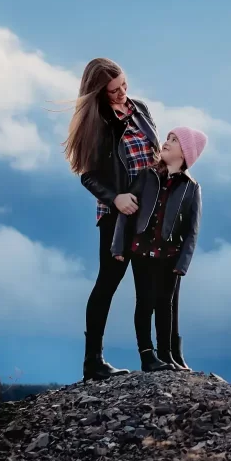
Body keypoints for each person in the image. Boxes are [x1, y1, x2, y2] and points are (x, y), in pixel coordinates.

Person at [63, 57, 160, 381]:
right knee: (108, 283)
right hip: (116, 216)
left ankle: (150, 357)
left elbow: (152, 156)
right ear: (98, 93)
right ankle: (93, 362)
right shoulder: (96, 123)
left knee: (147, 283)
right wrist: (115, 199)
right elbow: (87, 176)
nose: (122, 94)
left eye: (124, 86)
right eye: (114, 91)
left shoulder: (141, 110)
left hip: (148, 212)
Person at [111, 126, 205, 372]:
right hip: (141, 251)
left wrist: (182, 264)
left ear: (185, 153)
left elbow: (192, 231)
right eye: (168, 137)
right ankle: (146, 355)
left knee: (165, 304)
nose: (166, 142)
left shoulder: (191, 188)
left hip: (170, 257)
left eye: (174, 141)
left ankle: (166, 355)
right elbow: (125, 214)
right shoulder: (146, 176)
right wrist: (118, 246)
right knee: (145, 302)